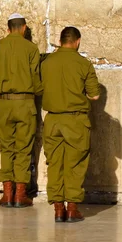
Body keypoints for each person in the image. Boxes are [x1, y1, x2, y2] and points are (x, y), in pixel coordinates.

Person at [41, 26, 100, 223]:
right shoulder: (84, 64)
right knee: (75, 164)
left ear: (60, 41)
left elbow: (39, 87)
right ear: (78, 41)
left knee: (55, 164)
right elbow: (94, 95)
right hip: (75, 120)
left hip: (52, 120)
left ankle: (58, 209)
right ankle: (72, 208)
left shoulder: (46, 63)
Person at [0, 13, 43, 208]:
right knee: (24, 148)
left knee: (6, 146)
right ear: (24, 28)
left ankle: (7, 193)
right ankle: (20, 194)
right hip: (26, 103)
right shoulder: (31, 48)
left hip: (5, 103)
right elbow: (36, 80)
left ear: (8, 28)